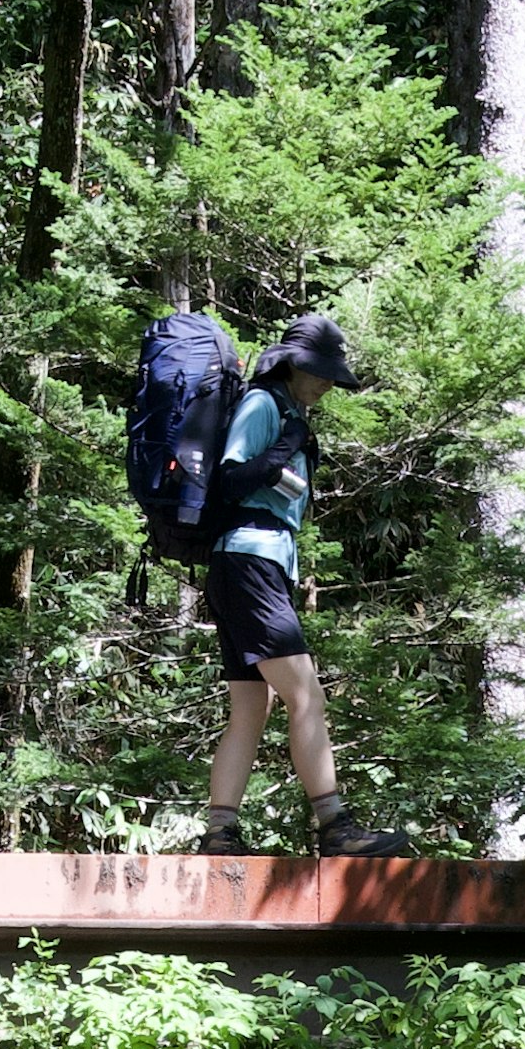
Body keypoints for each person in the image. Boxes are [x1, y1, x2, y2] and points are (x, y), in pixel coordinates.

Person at [196, 309, 404, 851]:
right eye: (318, 372)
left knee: (252, 706)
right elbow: (231, 480)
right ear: (291, 365)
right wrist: (282, 450)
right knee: (305, 693)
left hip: (248, 566)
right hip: (249, 563)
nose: (326, 384)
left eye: (331, 376)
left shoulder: (286, 410)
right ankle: (336, 828)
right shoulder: (264, 404)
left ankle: (220, 832)